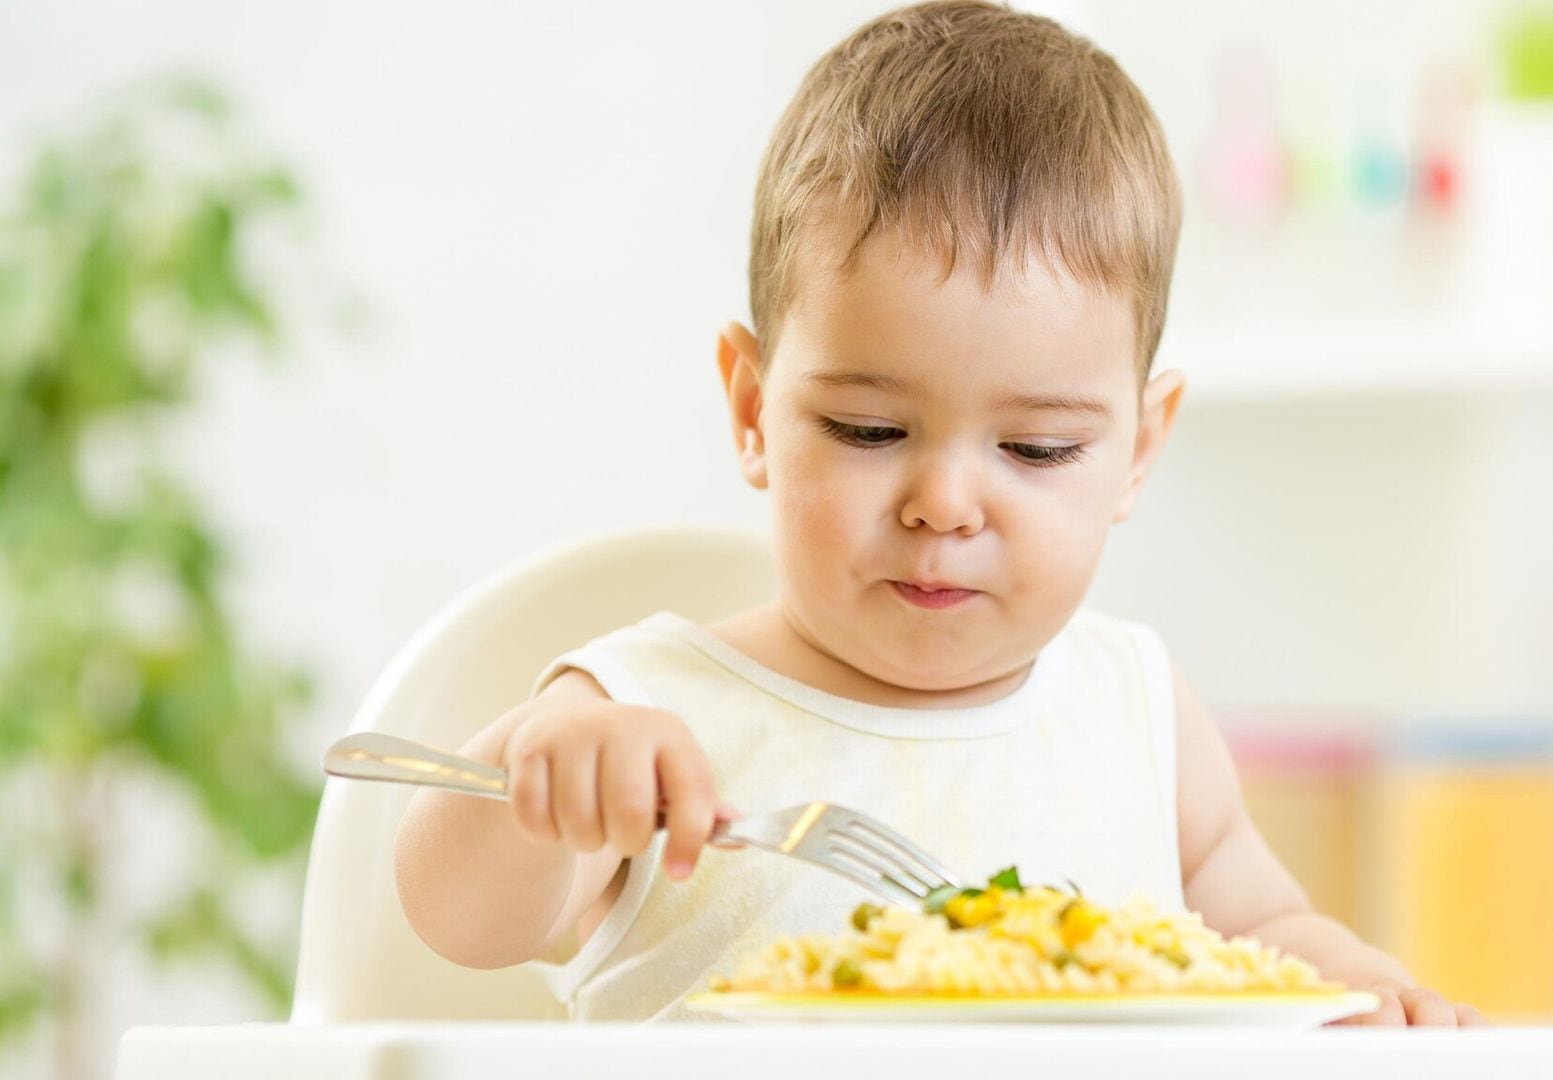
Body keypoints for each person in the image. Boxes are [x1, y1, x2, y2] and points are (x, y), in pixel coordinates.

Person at [394, 0, 1483, 1027]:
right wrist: (546, 773)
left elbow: (1268, 930)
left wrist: (1358, 987)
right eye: (871, 432)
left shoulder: (1133, 709)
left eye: (1037, 449)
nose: (946, 504)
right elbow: (457, 916)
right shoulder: (657, 717)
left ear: (1138, 450)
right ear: (753, 410)